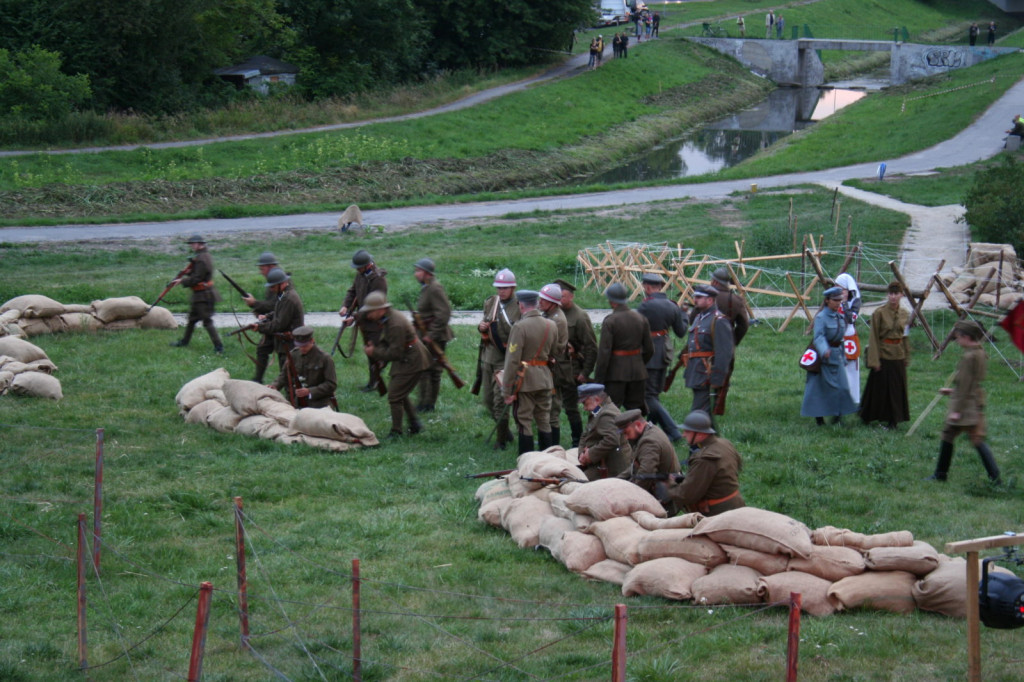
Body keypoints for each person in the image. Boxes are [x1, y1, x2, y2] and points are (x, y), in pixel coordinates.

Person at [928, 320, 1000, 483]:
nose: (957, 341)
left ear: (966, 337)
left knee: (951, 434)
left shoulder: (969, 357)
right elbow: (972, 383)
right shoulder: (980, 352)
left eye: (958, 338)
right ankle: (995, 477)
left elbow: (966, 385)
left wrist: (957, 411)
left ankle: (940, 474)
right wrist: (952, 391)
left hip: (966, 405)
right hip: (974, 401)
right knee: (974, 437)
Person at [361, 291, 430, 438]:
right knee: (399, 392)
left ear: (380, 309)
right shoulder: (388, 318)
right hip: (406, 357)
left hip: (411, 359)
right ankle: (414, 424)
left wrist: (374, 353)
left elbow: (395, 353)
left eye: (370, 312)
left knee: (394, 395)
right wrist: (380, 357)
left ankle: (396, 431)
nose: (368, 316)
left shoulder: (394, 324)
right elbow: (390, 343)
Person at [502, 290, 557, 454]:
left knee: (524, 420)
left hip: (525, 382)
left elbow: (512, 360)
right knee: (544, 419)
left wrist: (507, 389)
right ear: (537, 304)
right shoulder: (551, 325)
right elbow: (554, 353)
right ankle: (547, 458)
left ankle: (526, 459)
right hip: (545, 379)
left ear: (521, 305)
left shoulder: (520, 327)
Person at [666, 410, 745, 516]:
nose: (683, 435)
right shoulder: (725, 443)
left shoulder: (704, 459)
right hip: (737, 504)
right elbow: (738, 466)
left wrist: (668, 489)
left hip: (718, 513)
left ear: (700, 434)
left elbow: (687, 495)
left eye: (687, 431)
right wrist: (688, 478)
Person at [637, 273, 687, 442]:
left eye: (644, 286)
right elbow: (681, 332)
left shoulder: (644, 307)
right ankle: (651, 430)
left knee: (648, 396)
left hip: (648, 354)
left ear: (648, 287)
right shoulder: (673, 306)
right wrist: (685, 314)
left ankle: (672, 431)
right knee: (654, 395)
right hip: (664, 352)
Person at [801, 286, 857, 425]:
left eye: (839, 300)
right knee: (818, 389)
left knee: (843, 387)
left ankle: (838, 416)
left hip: (837, 356)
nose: (838, 303)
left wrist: (843, 357)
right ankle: (819, 418)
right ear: (827, 301)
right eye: (835, 300)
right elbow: (819, 337)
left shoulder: (839, 317)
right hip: (823, 358)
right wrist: (824, 350)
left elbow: (841, 339)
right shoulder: (821, 317)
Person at [478, 268, 521, 449]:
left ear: (512, 288)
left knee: (499, 401)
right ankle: (506, 432)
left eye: (505, 288)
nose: (501, 291)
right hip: (488, 356)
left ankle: (501, 440)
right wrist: (481, 327)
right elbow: (485, 324)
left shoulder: (519, 306)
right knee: (488, 400)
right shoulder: (491, 302)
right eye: (499, 287)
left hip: (506, 358)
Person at [594, 282, 653, 413]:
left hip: (616, 375)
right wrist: (639, 363)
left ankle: (603, 433)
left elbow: (604, 354)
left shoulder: (610, 321)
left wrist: (598, 381)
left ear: (611, 301)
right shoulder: (641, 318)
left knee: (605, 410)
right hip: (638, 373)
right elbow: (649, 349)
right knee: (635, 412)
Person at [859, 282, 910, 429]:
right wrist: (874, 360)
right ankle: (868, 415)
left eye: (896, 293)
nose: (893, 297)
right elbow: (873, 337)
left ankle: (893, 419)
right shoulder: (879, 313)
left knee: (896, 389)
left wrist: (906, 355)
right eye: (891, 293)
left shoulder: (904, 313)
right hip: (883, 353)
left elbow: (905, 335)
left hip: (898, 354)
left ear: (901, 295)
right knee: (878, 387)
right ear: (888, 295)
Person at [555, 278, 597, 447]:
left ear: (571, 297)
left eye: (563, 296)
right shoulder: (553, 312)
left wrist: (585, 372)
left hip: (572, 368)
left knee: (571, 407)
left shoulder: (579, 317)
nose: (559, 300)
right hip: (554, 366)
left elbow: (591, 347)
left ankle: (577, 441)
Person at [339, 249, 388, 392]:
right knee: (371, 354)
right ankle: (373, 382)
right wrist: (345, 305)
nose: (357, 269)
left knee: (377, 353)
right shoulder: (361, 275)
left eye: (359, 267)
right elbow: (352, 291)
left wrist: (354, 317)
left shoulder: (378, 280)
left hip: (376, 322)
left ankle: (376, 379)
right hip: (365, 322)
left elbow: (373, 307)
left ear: (367, 265)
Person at [615, 409, 681, 514]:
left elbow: (645, 476)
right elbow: (635, 467)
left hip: (663, 500)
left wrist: (628, 499)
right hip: (658, 492)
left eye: (626, 432)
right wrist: (613, 482)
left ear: (638, 425)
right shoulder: (649, 430)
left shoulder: (649, 442)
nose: (626, 437)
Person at [684, 285, 733, 415]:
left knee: (698, 414)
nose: (695, 300)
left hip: (707, 373)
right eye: (695, 297)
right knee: (702, 415)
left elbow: (724, 353)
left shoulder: (719, 321)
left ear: (710, 300)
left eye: (699, 297)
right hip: (696, 371)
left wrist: (717, 378)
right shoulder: (699, 318)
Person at [170, 234, 223, 353]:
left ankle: (219, 346)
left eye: (193, 244)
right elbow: (198, 275)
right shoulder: (203, 256)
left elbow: (197, 278)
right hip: (200, 295)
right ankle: (185, 341)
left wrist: (182, 281)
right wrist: (189, 272)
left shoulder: (201, 259)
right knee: (192, 319)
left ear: (200, 244)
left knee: (207, 322)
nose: (192, 246)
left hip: (203, 295)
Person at [413, 257, 453, 413]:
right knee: (423, 369)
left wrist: (432, 334)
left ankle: (429, 404)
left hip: (435, 336)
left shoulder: (435, 288)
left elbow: (444, 313)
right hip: (426, 334)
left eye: (418, 271)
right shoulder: (427, 287)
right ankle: (423, 402)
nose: (416, 274)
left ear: (427, 273)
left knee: (434, 370)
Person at [709, 267, 749, 415]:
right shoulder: (736, 300)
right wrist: (733, 340)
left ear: (714, 281)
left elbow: (694, 319)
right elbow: (744, 325)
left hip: (706, 341)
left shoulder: (706, 296)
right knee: (725, 373)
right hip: (726, 342)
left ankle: (706, 403)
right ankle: (719, 400)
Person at [270, 325, 337, 409]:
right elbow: (284, 375)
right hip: (297, 402)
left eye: (305, 345)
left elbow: (331, 384)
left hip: (320, 403)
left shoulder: (324, 358)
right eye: (299, 345)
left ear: (312, 341)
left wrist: (309, 391)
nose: (301, 348)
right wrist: (275, 385)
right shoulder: (293, 355)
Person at [255, 267, 305, 375]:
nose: (271, 289)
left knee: (289, 382)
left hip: (290, 346)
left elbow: (279, 325)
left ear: (282, 284)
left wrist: (260, 327)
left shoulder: (288, 298)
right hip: (287, 345)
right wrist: (267, 317)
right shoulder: (284, 295)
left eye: (273, 286)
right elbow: (279, 311)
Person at [577, 383, 631, 480]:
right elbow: (586, 433)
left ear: (597, 400)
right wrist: (581, 454)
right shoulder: (598, 410)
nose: (584, 408)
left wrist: (590, 455)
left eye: (585, 403)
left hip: (611, 467)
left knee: (579, 483)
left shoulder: (607, 414)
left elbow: (612, 440)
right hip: (600, 461)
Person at [242, 251, 282, 383]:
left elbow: (275, 305)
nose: (261, 271)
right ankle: (258, 380)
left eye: (262, 268)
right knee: (262, 349)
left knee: (285, 359)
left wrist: (255, 303)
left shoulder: (280, 281)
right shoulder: (273, 281)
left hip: (282, 326)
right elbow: (271, 307)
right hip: (273, 323)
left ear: (270, 266)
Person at [538, 283, 570, 446]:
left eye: (545, 299)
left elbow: (553, 348)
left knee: (553, 409)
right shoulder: (548, 315)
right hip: (549, 366)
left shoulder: (557, 320)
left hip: (555, 369)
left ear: (553, 303)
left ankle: (552, 446)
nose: (540, 302)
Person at [834, 273, 862, 406]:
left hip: (849, 337)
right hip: (836, 336)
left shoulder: (855, 301)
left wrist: (844, 304)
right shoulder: (833, 299)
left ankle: (852, 398)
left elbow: (851, 318)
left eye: (841, 288)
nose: (838, 290)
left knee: (850, 370)